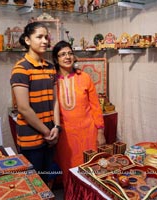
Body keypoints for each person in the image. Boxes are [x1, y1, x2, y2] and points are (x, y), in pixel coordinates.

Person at [10, 22, 60, 184]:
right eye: (39, 37)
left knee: (47, 178)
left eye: (46, 37)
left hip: (51, 135)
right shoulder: (21, 69)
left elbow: (55, 101)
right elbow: (23, 108)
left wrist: (57, 127)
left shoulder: (51, 68)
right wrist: (47, 132)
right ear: (27, 40)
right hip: (31, 139)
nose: (45, 41)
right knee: (33, 183)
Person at [52, 40, 106, 187]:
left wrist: (100, 131)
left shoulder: (84, 77)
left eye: (70, 53)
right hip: (66, 136)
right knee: (68, 170)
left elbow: (95, 107)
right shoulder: (52, 81)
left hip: (88, 133)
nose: (67, 57)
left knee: (90, 169)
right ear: (56, 59)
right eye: (62, 54)